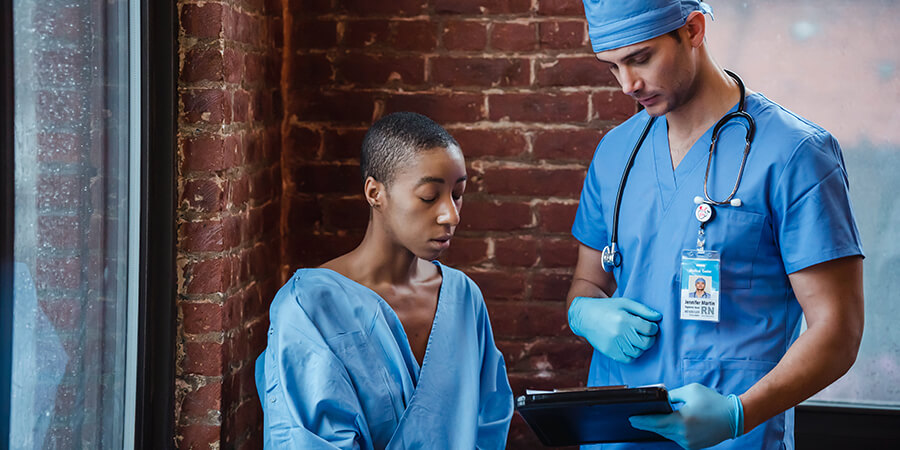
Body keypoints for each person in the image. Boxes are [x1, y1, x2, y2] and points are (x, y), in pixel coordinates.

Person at [565, 1, 865, 449]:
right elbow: (588, 281)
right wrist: (584, 313)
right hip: (618, 435)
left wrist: (738, 415)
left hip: (735, 438)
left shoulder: (795, 154)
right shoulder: (615, 153)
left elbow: (838, 330)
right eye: (612, 67)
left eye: (641, 58)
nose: (628, 85)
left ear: (693, 30)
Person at [255, 112, 514, 449]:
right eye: (429, 196)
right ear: (375, 192)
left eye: (458, 193)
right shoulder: (309, 308)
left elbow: (488, 424)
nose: (452, 214)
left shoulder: (464, 297)